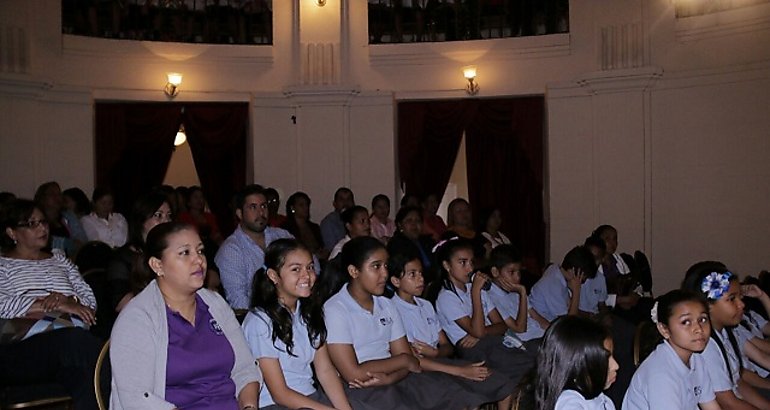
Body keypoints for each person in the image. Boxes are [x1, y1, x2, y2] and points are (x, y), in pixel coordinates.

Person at [324, 236, 489, 409]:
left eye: (386, 266)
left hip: (395, 377)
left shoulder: (385, 304)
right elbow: (353, 373)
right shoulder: (336, 309)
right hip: (362, 388)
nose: (385, 274)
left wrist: (393, 374)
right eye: (376, 266)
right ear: (354, 271)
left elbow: (410, 360)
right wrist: (403, 361)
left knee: (461, 397)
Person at [110, 222, 261, 409]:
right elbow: (137, 398)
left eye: (200, 251)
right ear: (157, 265)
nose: (199, 260)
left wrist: (249, 407)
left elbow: (245, 369)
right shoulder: (138, 319)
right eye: (185, 253)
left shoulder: (215, 304)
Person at [0, 198, 101, 409]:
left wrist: (69, 300)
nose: (42, 228)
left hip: (68, 344)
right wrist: (58, 305)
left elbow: (89, 302)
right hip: (22, 348)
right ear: (11, 233)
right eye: (31, 224)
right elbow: (3, 305)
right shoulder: (3, 265)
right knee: (79, 343)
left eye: (43, 222)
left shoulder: (60, 259)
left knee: (86, 377)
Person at [387, 249, 516, 409]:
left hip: (440, 361)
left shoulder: (425, 305)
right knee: (467, 398)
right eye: (412, 274)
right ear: (396, 281)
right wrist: (460, 371)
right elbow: (412, 360)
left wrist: (436, 353)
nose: (420, 279)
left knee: (502, 383)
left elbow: (446, 346)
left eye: (421, 273)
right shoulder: (392, 310)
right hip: (419, 371)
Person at [241, 239, 352, 410]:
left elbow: (325, 371)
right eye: (296, 269)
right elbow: (280, 394)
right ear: (273, 275)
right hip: (275, 404)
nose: (306, 276)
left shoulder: (308, 312)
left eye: (309, 267)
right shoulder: (260, 321)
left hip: (309, 397)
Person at [433, 238, 535, 386]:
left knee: (532, 360)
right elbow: (478, 332)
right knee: (523, 364)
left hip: (492, 340)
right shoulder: (447, 297)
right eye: (462, 263)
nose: (469, 269)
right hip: (473, 350)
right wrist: (475, 292)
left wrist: (483, 332)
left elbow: (501, 325)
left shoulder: (476, 288)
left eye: (471, 262)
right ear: (447, 265)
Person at [682, 261, 770, 409]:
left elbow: (737, 382)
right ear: (708, 306)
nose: (741, 304)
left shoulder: (724, 333)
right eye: (731, 299)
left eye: (740, 298)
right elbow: (727, 402)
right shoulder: (706, 346)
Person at [622, 290, 720, 410]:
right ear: (664, 329)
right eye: (686, 322)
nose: (698, 329)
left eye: (703, 319)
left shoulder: (696, 359)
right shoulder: (660, 374)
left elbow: (711, 406)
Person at [215, 184, 293, 309]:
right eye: (253, 207)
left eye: (263, 206)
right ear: (240, 214)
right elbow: (238, 301)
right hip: (257, 318)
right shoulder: (232, 250)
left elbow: (311, 263)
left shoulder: (281, 235)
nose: (261, 212)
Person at [106, 191, 172, 315]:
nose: (166, 221)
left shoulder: (170, 253)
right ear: (141, 220)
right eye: (158, 215)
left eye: (169, 215)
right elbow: (121, 304)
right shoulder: (122, 258)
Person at [534, 315, 618, 410]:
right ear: (579, 368)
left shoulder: (599, 398)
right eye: (606, 360)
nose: (616, 366)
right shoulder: (569, 403)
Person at [485, 244, 544, 351]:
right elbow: (519, 328)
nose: (517, 278)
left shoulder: (515, 292)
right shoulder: (490, 297)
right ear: (495, 272)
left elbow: (537, 317)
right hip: (527, 343)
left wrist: (555, 332)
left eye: (519, 272)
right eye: (511, 272)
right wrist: (522, 293)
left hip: (541, 336)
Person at [529, 246, 595, 326]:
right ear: (574, 271)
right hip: (538, 327)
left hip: (550, 323)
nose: (582, 282)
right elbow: (569, 324)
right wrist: (577, 291)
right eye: (583, 279)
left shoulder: (555, 269)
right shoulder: (554, 285)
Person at [34, 181, 88, 256]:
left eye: (59, 194)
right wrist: (67, 243)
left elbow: (82, 239)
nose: (57, 197)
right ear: (42, 198)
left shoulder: (68, 215)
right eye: (52, 194)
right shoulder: (35, 217)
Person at [386, 206, 435, 278]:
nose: (414, 224)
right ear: (400, 225)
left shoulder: (428, 242)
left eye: (418, 221)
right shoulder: (396, 244)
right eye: (409, 221)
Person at [282, 191, 328, 261]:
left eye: (307, 205)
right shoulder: (286, 228)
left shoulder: (314, 227)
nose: (305, 208)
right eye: (301, 205)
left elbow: (321, 246)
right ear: (292, 208)